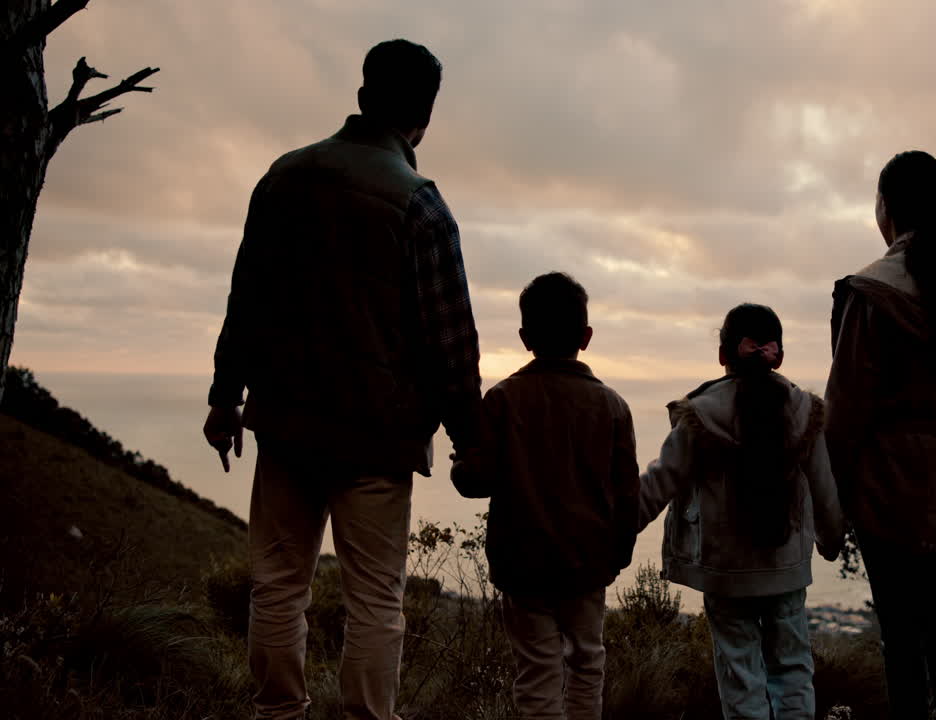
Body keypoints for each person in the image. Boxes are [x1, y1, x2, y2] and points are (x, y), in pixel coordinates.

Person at [201, 39, 482, 720]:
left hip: (289, 424)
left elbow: (248, 297)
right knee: (376, 602)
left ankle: (277, 712)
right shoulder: (420, 204)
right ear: (425, 118)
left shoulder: (284, 178)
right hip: (378, 443)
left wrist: (225, 396)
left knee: (276, 586)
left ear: (361, 99)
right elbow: (451, 342)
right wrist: (471, 440)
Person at [824, 150, 936, 720]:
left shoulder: (871, 292)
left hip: (890, 490)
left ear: (886, 209)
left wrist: (833, 507)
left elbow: (846, 411)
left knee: (901, 637)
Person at [637, 303, 845, 720]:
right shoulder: (804, 410)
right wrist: (831, 538)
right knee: (792, 668)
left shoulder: (701, 413)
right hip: (786, 566)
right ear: (778, 356)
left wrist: (615, 530)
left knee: (740, 674)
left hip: (725, 572)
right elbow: (825, 486)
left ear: (723, 355)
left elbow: (659, 483)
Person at [451, 272, 639, 720]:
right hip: (587, 563)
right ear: (586, 337)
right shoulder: (612, 406)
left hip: (524, 566)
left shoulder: (502, 400)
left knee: (537, 671)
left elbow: (474, 482)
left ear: (524, 337)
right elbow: (627, 492)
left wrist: (461, 461)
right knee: (587, 662)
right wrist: (620, 554)